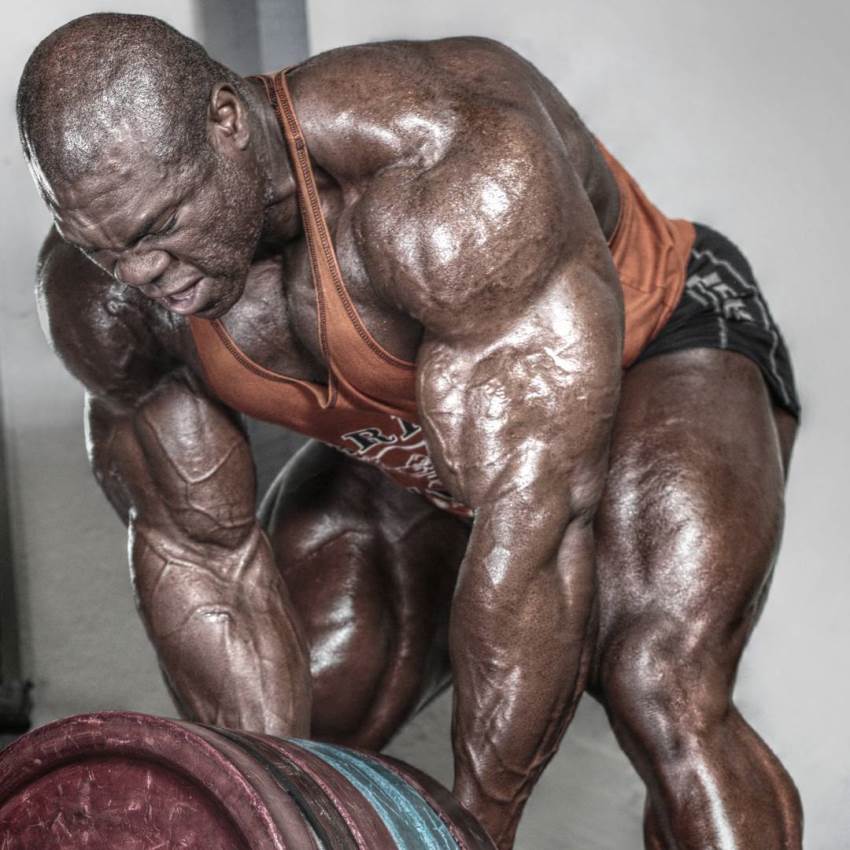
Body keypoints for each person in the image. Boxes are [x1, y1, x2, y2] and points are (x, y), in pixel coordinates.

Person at [17, 13, 802, 849]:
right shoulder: (108, 302)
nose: (139, 274)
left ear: (227, 122)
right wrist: (270, 805)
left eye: (157, 226)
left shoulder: (448, 171)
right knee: (312, 721)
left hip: (655, 348)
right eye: (101, 247)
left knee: (656, 680)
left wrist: (475, 830)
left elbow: (536, 522)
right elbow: (201, 556)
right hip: (427, 423)